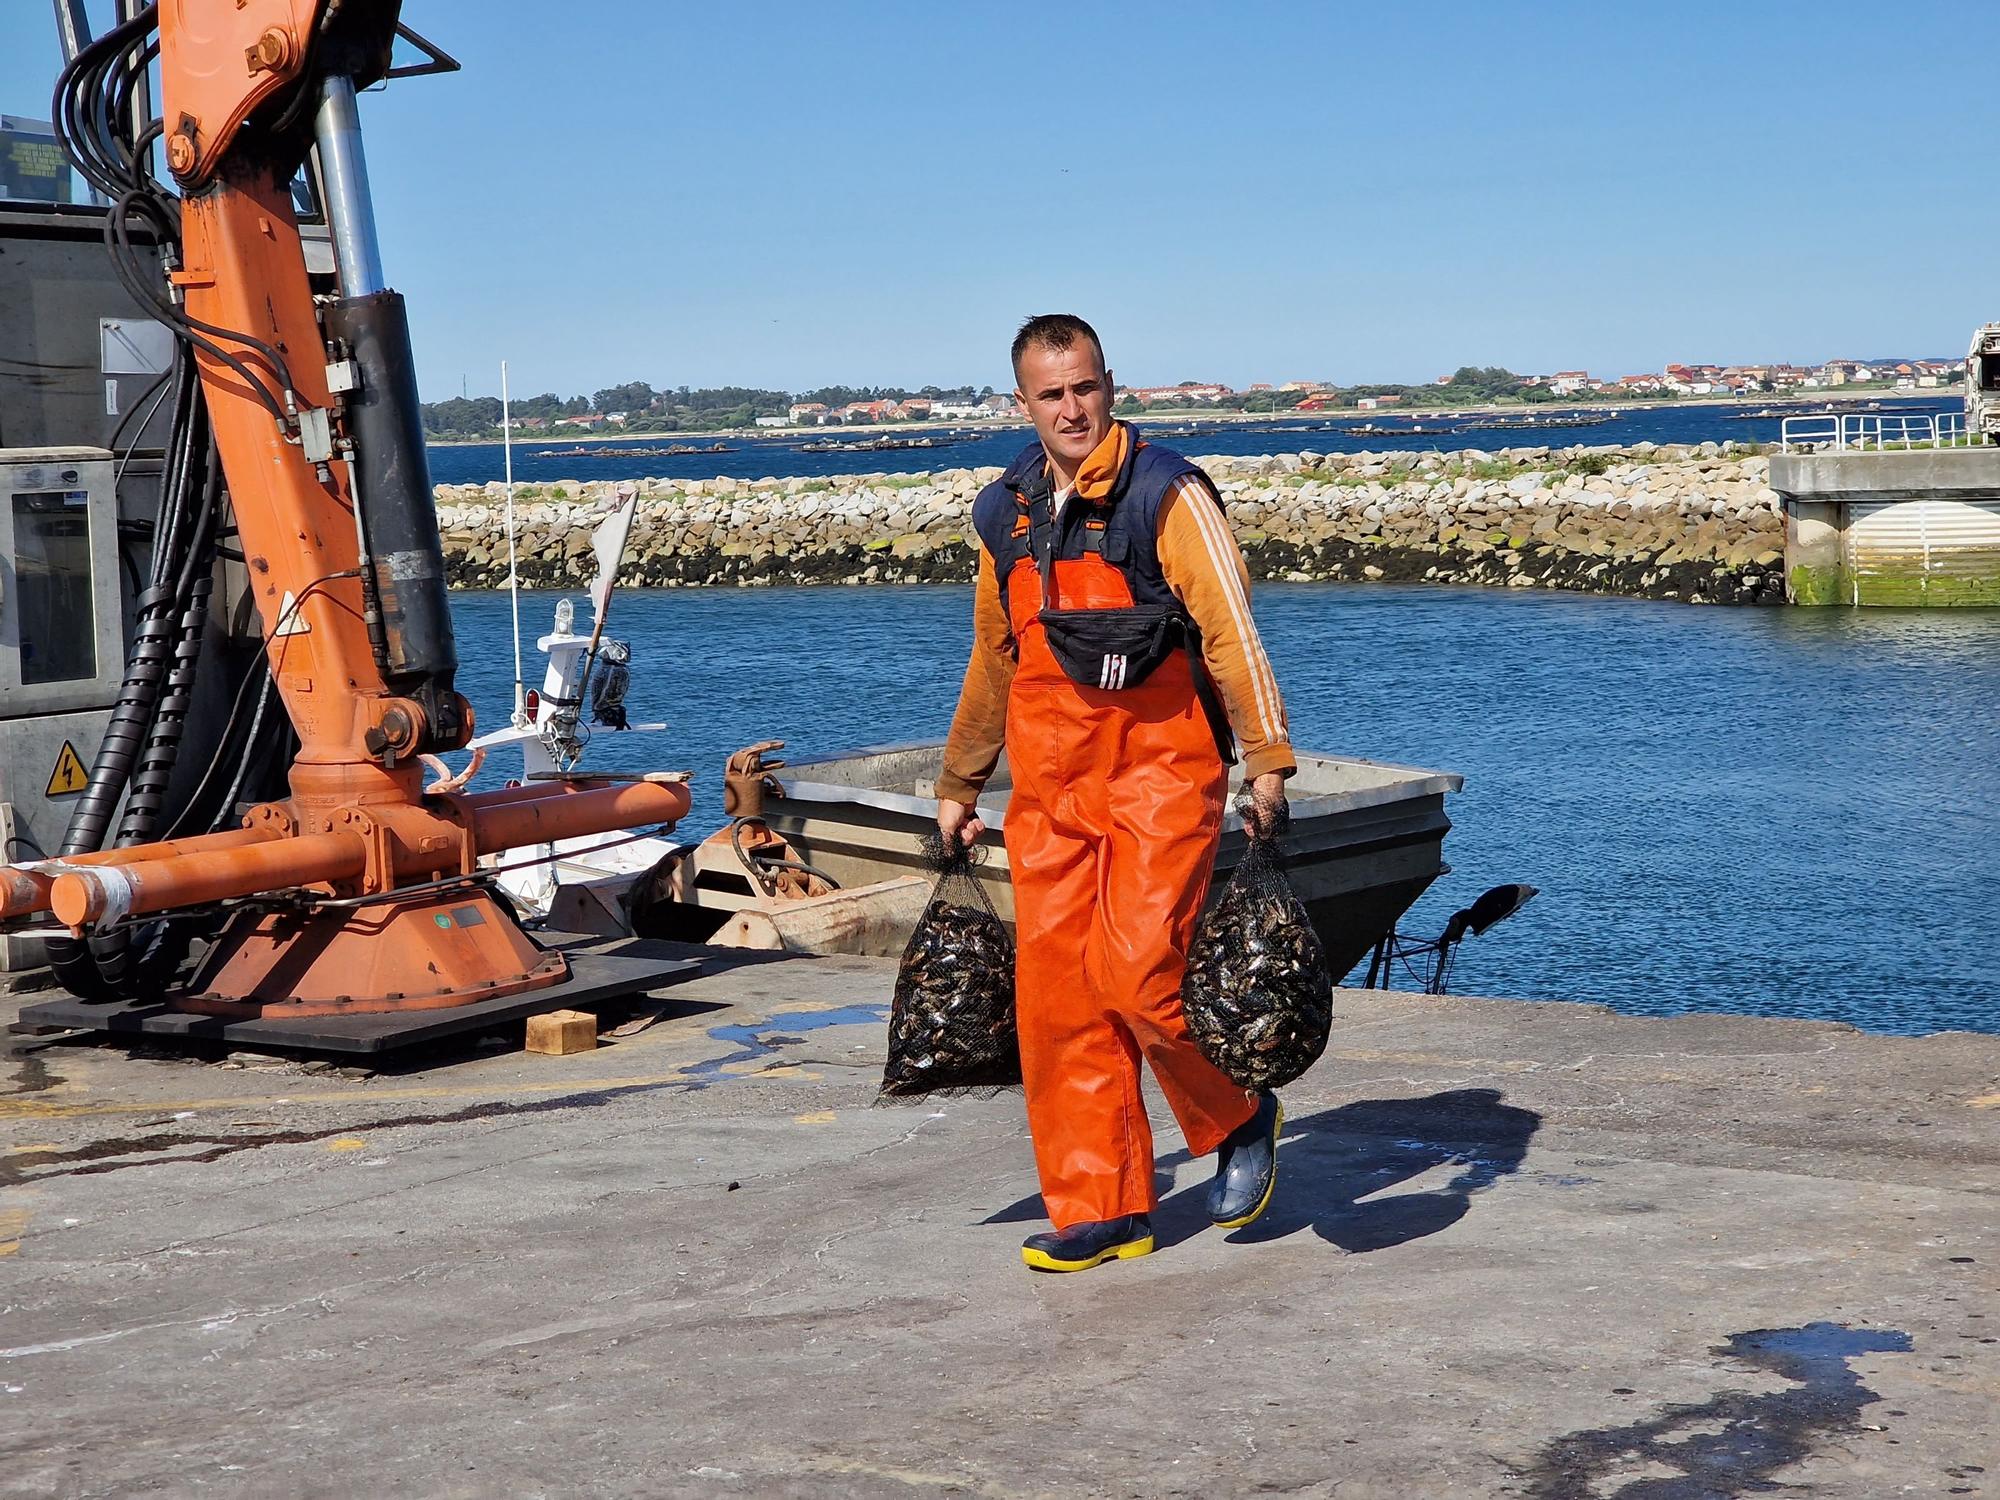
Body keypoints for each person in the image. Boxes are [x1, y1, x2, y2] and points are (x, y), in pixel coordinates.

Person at [936, 314, 1297, 1272]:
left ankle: (1236, 1111)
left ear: (1110, 385)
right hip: (1049, 796)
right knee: (1059, 1006)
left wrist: (1267, 762)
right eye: (1050, 394)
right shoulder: (1004, 513)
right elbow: (993, 656)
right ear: (1022, 403)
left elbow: (1231, 636)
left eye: (1084, 388)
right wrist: (960, 782)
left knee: (1139, 977)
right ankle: (1105, 1209)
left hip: (1158, 782)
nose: (1071, 409)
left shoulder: (1166, 497)